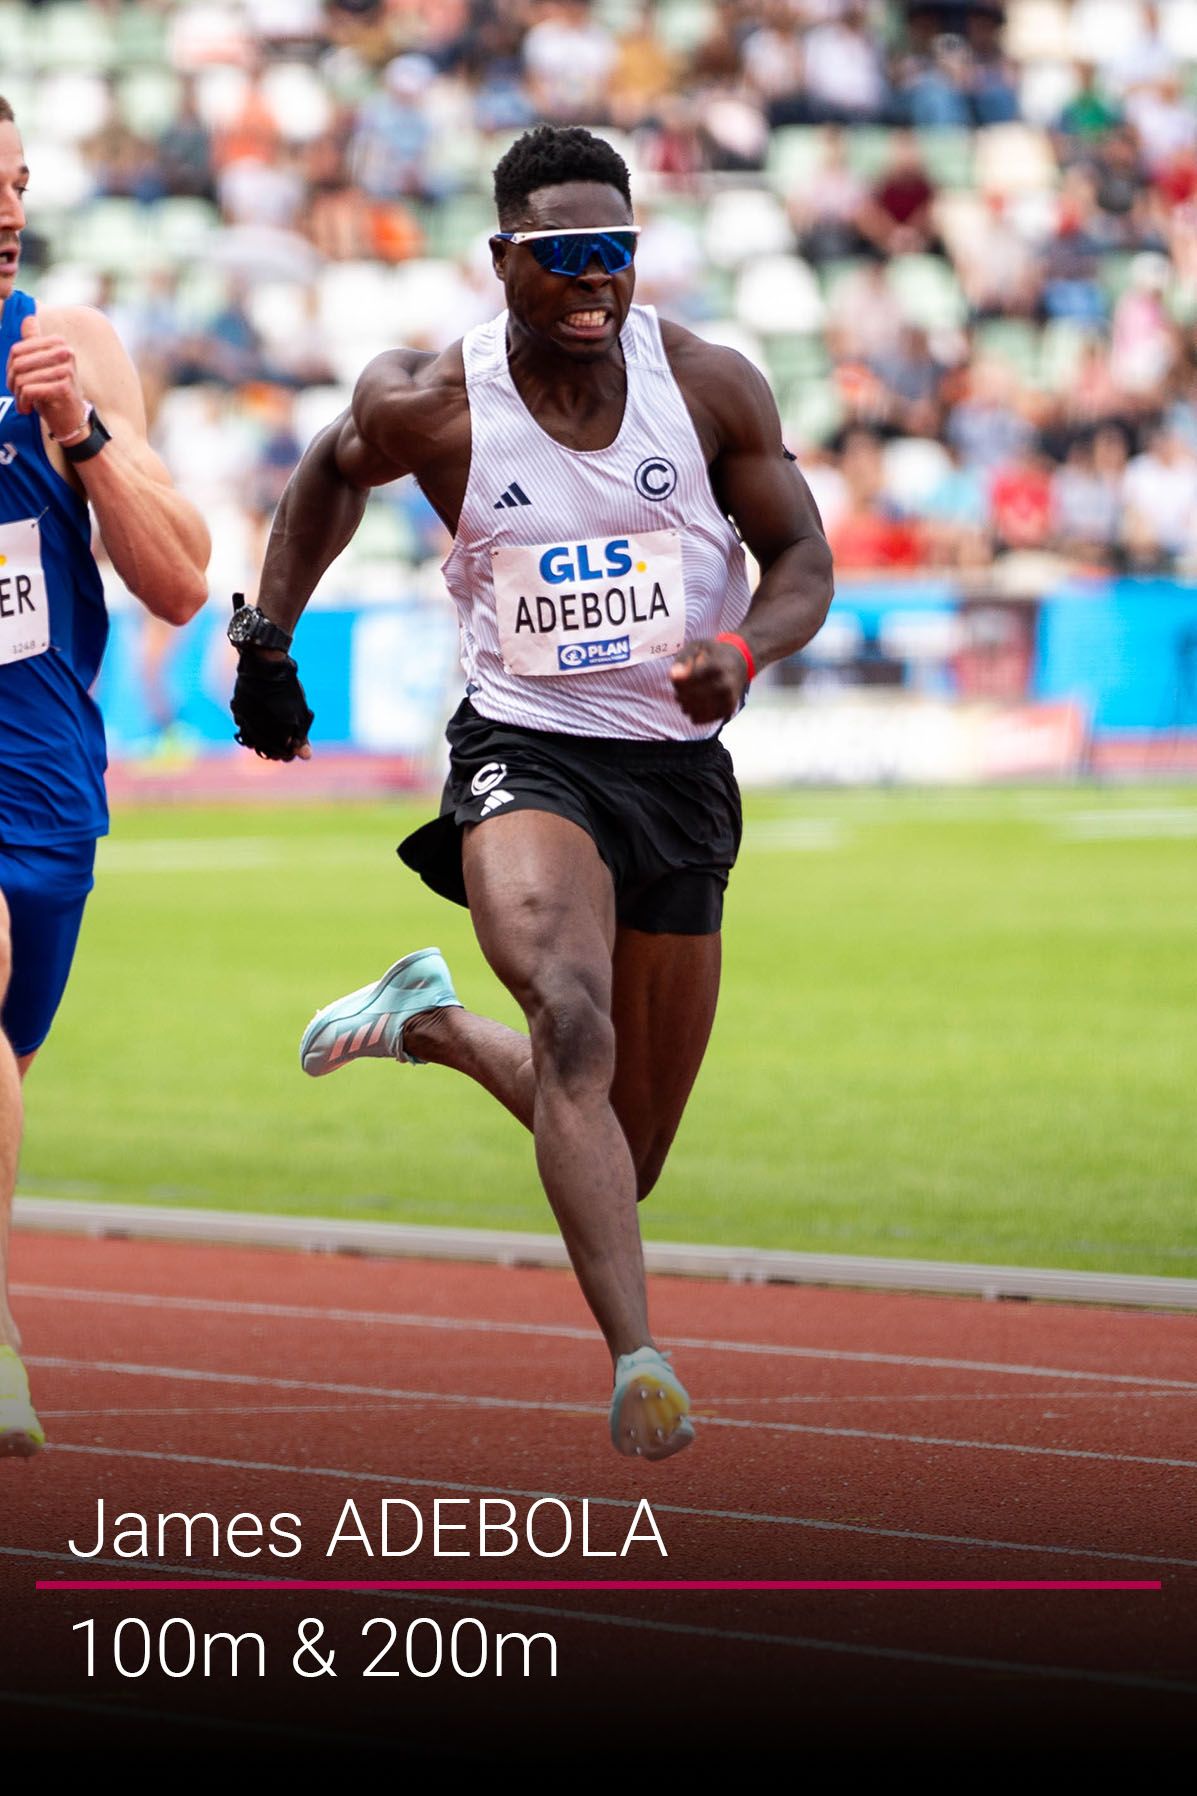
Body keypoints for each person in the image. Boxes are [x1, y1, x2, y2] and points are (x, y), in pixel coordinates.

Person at [228, 124, 833, 1460]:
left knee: (627, 1149)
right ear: (501, 258)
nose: (591, 277)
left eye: (613, 250)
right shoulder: (433, 400)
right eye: (561, 254)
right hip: (527, 744)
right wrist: (267, 640)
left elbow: (801, 554)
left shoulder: (708, 386)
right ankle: (639, 1361)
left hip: (678, 767)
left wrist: (744, 650)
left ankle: (431, 1026)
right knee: (569, 1016)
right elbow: (330, 469)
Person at [0, 98, 211, 1457]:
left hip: (43, 784)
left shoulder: (71, 347)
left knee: (9, 1051)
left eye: (18, 181)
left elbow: (182, 581)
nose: (7, 208)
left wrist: (79, 432)